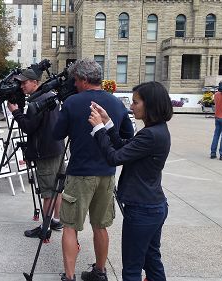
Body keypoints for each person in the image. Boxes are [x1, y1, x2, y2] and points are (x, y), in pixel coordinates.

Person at [53, 58, 134, 281]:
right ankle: (100, 271)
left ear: (84, 79)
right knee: (100, 225)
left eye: (76, 80)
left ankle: (69, 277)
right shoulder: (116, 103)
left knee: (70, 226)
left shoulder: (72, 102)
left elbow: (57, 135)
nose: (75, 84)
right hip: (107, 173)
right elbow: (128, 136)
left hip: (80, 173)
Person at [89, 81, 172, 281]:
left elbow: (114, 158)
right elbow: (123, 148)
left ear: (150, 104)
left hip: (143, 210)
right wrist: (108, 123)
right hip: (153, 206)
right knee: (151, 260)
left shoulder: (150, 135)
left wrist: (98, 129)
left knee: (132, 269)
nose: (131, 106)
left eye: (135, 102)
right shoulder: (156, 131)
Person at [7, 68, 66, 237]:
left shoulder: (36, 103)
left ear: (35, 82)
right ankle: (56, 219)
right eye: (21, 83)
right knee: (57, 188)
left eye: (25, 83)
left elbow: (28, 127)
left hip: (46, 152)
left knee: (47, 191)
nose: (22, 86)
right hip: (57, 148)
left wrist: (16, 112)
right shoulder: (50, 96)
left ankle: (45, 228)